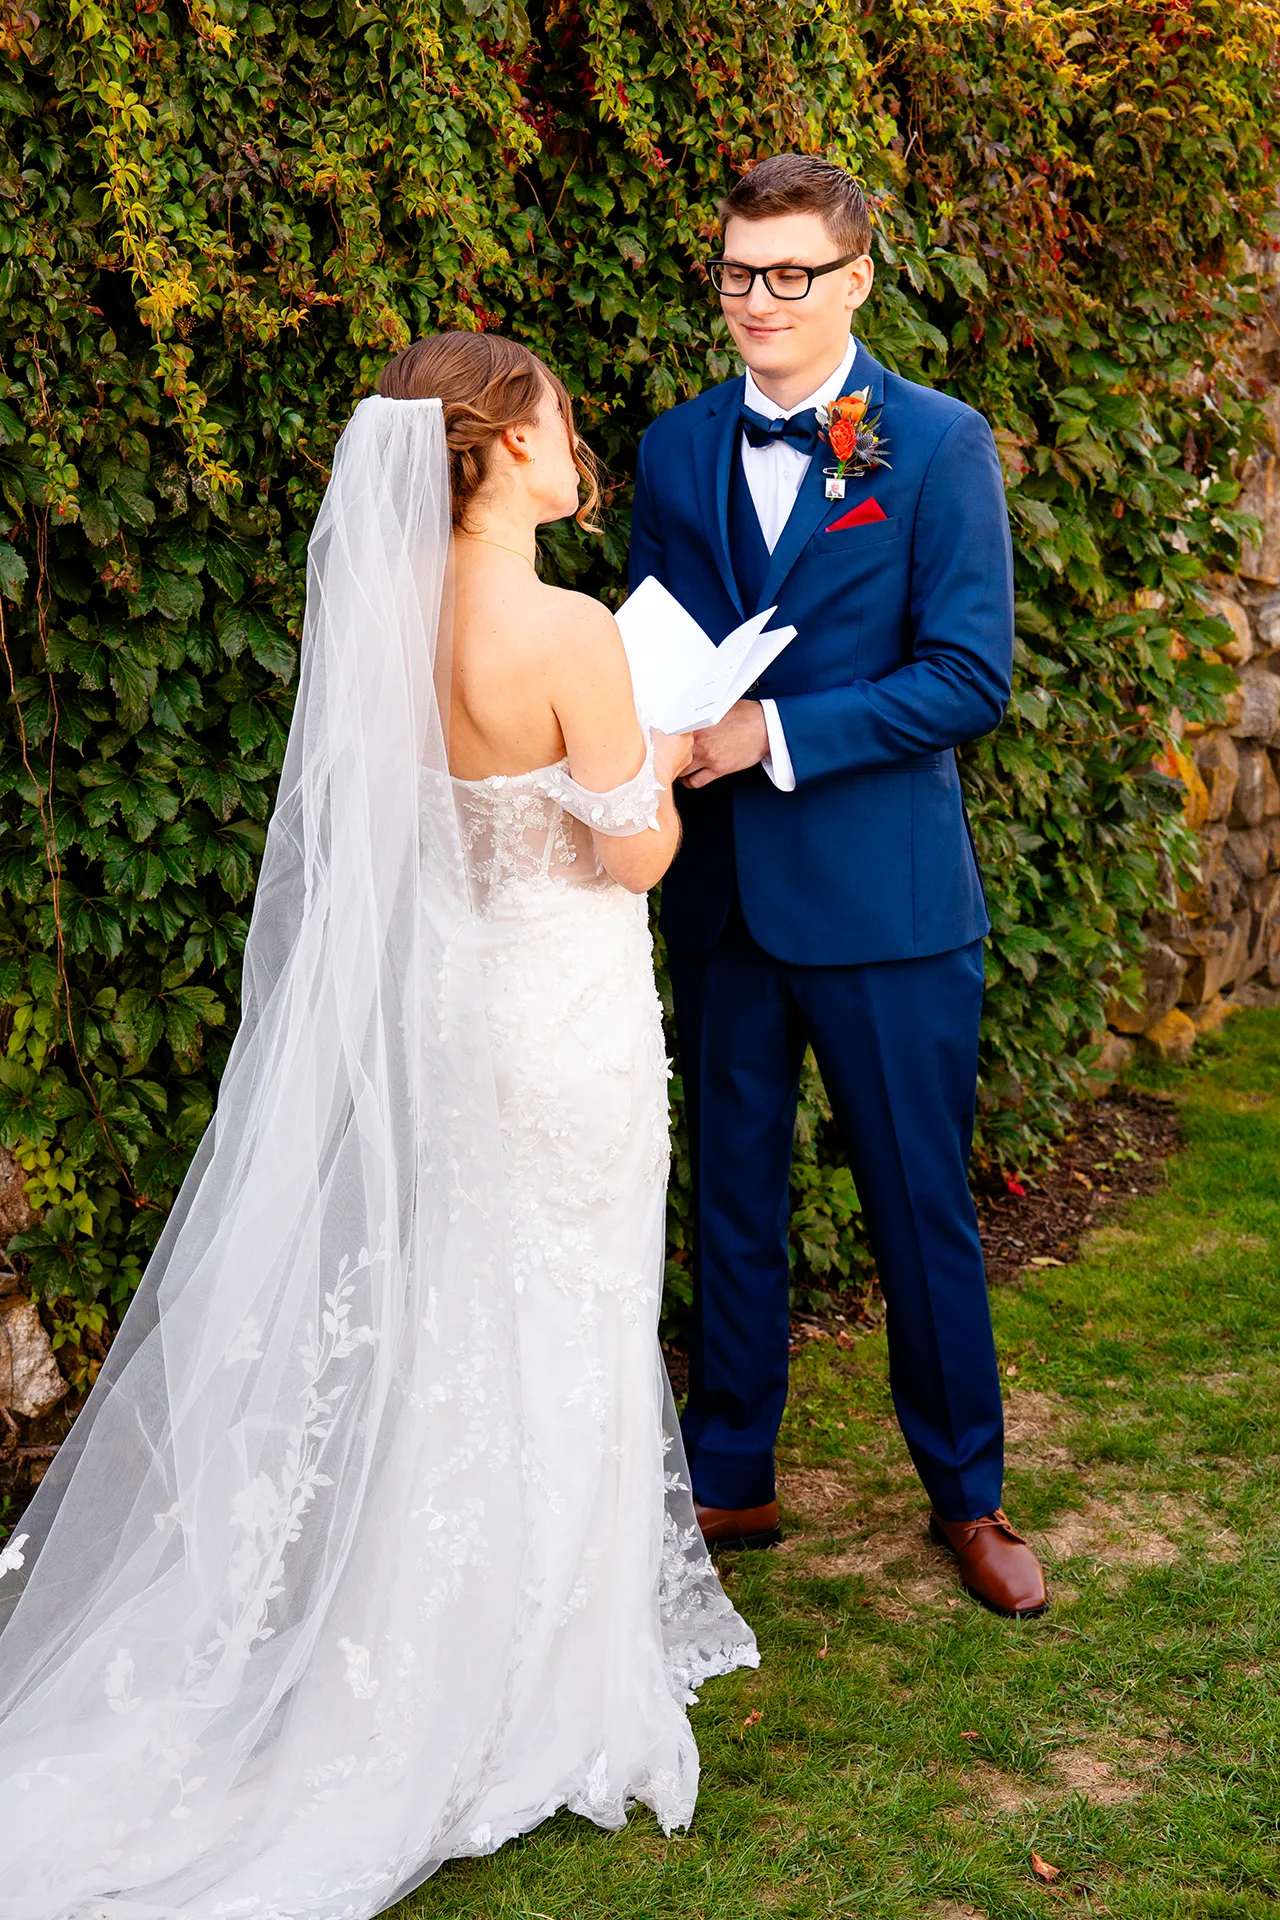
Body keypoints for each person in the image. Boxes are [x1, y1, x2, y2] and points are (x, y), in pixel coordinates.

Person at [0, 334, 756, 1920]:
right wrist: (675, 754)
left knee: (471, 1314)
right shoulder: (563, 630)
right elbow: (633, 862)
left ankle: (447, 1625)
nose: (578, 451)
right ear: (494, 448)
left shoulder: (384, 622)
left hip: (454, 1008)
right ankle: (535, 1673)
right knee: (568, 1311)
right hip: (562, 1020)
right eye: (554, 425)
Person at [630, 152, 1048, 1618]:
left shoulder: (935, 447)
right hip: (725, 893)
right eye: (739, 271)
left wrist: (772, 733)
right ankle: (729, 1470)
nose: (757, 299)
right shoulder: (676, 449)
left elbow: (968, 676)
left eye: (789, 273)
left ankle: (970, 1496)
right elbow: (655, 631)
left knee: (917, 1204)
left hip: (890, 906)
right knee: (732, 1196)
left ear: (855, 280)